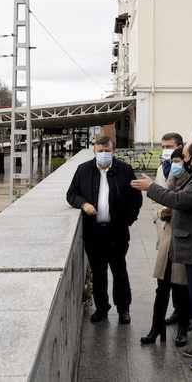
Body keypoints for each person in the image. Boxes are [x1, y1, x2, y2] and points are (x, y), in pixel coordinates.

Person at [131, 140, 192, 372]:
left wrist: (151, 187)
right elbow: (188, 204)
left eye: (184, 156)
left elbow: (180, 199)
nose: (182, 161)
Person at [66, 136, 143, 325]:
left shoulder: (124, 170)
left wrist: (127, 220)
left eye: (107, 151)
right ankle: (102, 307)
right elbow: (71, 194)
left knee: (119, 271)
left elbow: (136, 197)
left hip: (117, 232)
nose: (103, 154)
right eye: (99, 151)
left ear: (113, 151)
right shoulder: (83, 170)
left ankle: (123, 309)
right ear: (94, 152)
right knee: (99, 273)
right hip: (94, 233)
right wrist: (83, 204)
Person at [141, 146, 192, 347]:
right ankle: (156, 328)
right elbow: (166, 201)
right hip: (168, 236)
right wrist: (163, 213)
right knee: (162, 287)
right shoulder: (171, 179)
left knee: (181, 287)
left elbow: (185, 204)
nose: (177, 165)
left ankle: (182, 329)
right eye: (175, 161)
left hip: (183, 238)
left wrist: (173, 211)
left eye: (180, 160)